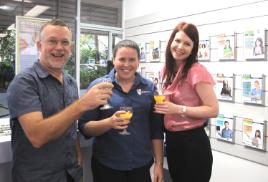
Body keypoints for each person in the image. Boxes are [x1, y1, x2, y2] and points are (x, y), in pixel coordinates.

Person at [7, 19, 113, 182]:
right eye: (52, 41)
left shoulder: (71, 82)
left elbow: (70, 123)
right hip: (37, 176)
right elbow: (37, 136)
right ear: (39, 45)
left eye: (65, 42)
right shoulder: (24, 82)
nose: (59, 47)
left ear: (70, 48)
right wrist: (83, 103)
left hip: (71, 172)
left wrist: (77, 148)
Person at [78, 40, 164, 182]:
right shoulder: (99, 86)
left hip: (141, 165)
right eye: (122, 59)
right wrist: (109, 123)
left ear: (138, 61)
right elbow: (84, 128)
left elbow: (156, 129)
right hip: (107, 166)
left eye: (132, 60)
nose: (126, 64)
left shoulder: (149, 88)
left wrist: (159, 163)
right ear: (113, 60)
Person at [154, 22, 219, 182]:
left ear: (193, 49)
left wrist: (177, 109)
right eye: (177, 41)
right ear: (171, 42)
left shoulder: (196, 71)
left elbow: (213, 110)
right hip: (173, 141)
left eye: (187, 43)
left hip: (193, 143)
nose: (180, 46)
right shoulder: (167, 70)